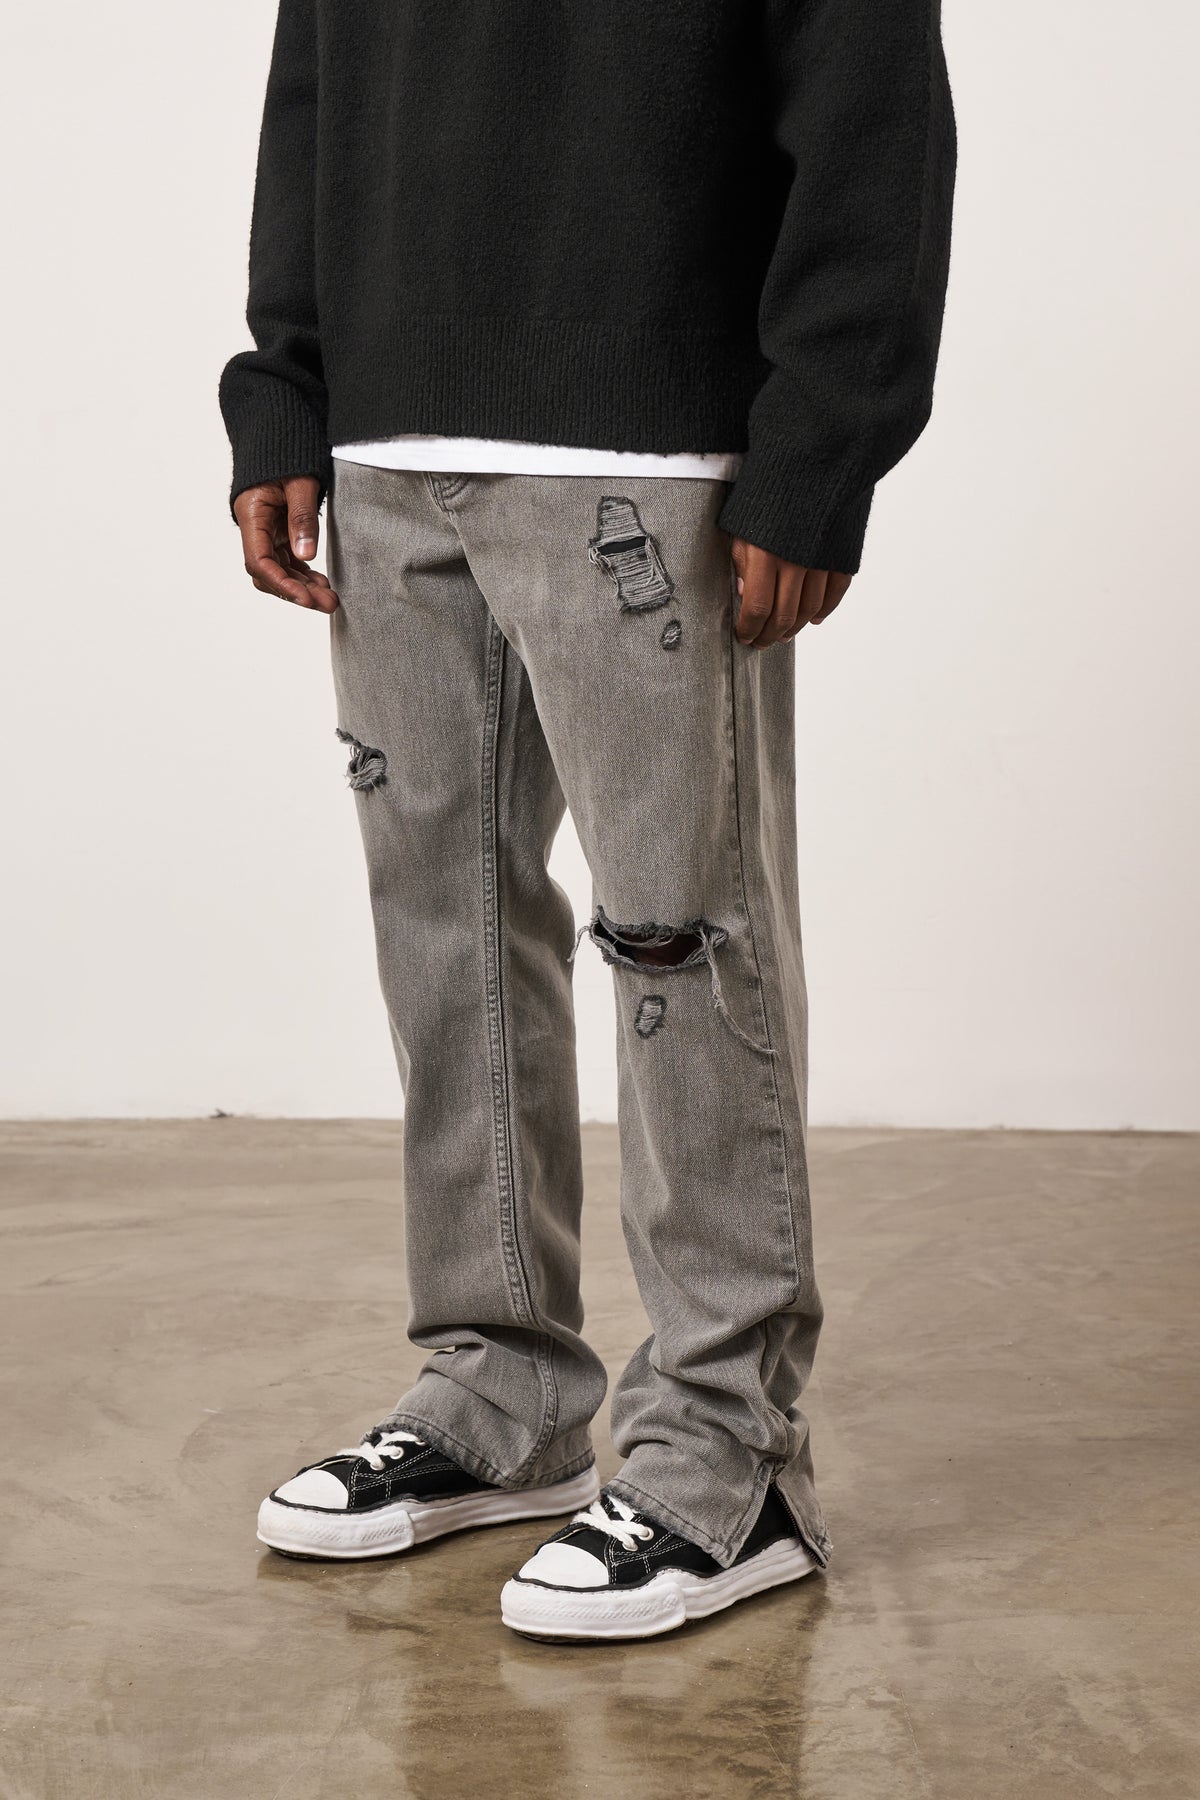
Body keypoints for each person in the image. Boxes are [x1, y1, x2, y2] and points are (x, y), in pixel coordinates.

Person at [220, 0, 955, 1642]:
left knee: (680, 935)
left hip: (650, 442)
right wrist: (286, 380)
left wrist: (823, 442)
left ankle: (729, 1455)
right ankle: (500, 1390)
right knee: (445, 932)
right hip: (389, 442)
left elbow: (871, 105)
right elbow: (317, 76)